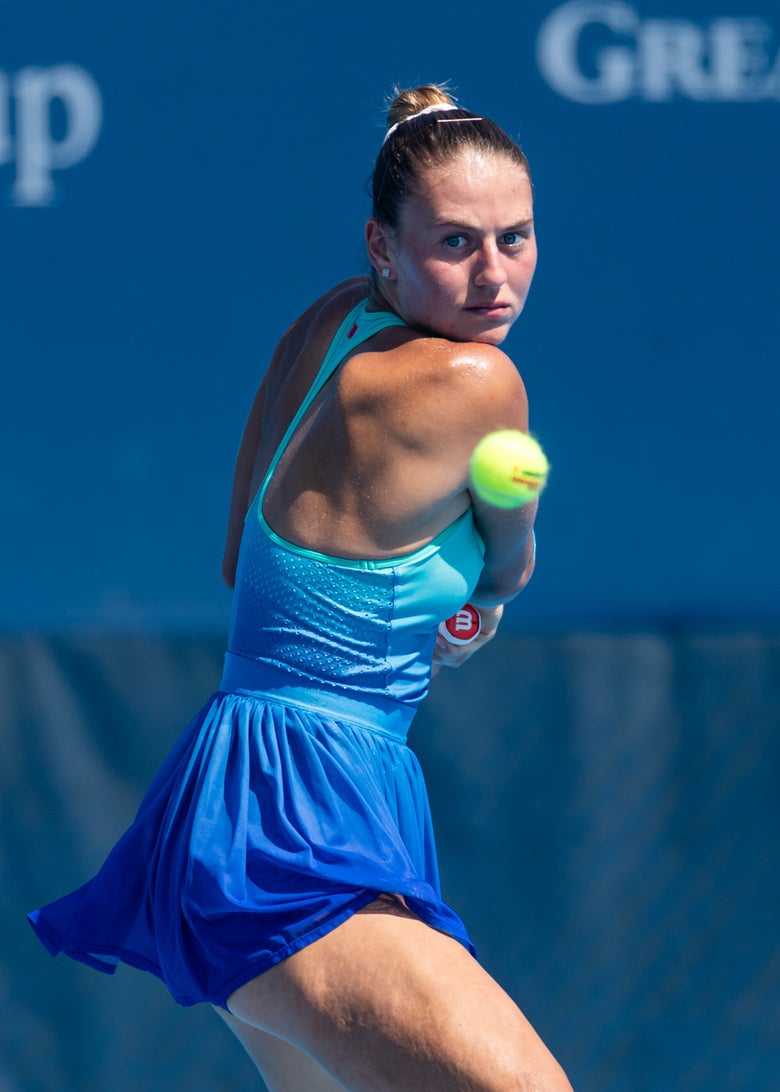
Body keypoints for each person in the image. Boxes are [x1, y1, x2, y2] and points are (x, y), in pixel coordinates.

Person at [29, 84, 572, 1091]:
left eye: (517, 237)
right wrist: (493, 576)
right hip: (296, 826)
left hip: (234, 792)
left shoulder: (330, 322)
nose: (494, 275)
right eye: (457, 243)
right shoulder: (479, 383)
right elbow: (511, 564)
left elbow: (243, 562)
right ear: (383, 245)